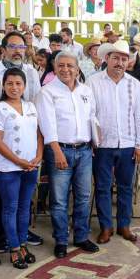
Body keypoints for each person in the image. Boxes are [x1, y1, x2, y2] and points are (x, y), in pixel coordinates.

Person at [36, 51, 98, 259]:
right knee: (60, 201)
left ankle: (81, 236)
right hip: (60, 150)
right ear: (54, 68)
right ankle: (61, 240)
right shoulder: (47, 92)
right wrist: (56, 151)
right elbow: (47, 124)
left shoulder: (86, 91)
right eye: (61, 65)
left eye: (70, 65)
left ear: (77, 68)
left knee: (83, 197)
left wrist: (95, 142)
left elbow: (91, 118)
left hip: (84, 150)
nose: (65, 69)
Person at [87, 41, 140, 244]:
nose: (119, 62)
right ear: (107, 59)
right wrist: (92, 141)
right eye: (115, 58)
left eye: (123, 59)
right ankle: (106, 227)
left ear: (127, 61)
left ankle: (124, 225)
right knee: (102, 187)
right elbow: (89, 114)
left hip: (128, 144)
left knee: (125, 187)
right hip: (102, 146)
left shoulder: (134, 84)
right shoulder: (93, 82)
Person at [0, 68, 43, 269]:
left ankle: (23, 244)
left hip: (30, 167)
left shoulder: (30, 107)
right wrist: (18, 161)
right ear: (3, 85)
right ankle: (14, 248)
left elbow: (38, 134)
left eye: (18, 83)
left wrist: (38, 156)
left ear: (25, 86)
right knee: (10, 208)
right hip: (9, 168)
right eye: (10, 83)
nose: (14, 87)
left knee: (24, 207)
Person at [0, 32, 41, 103]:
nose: (18, 51)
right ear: (3, 50)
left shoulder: (32, 72)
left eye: (21, 47)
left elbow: (37, 102)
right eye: (12, 47)